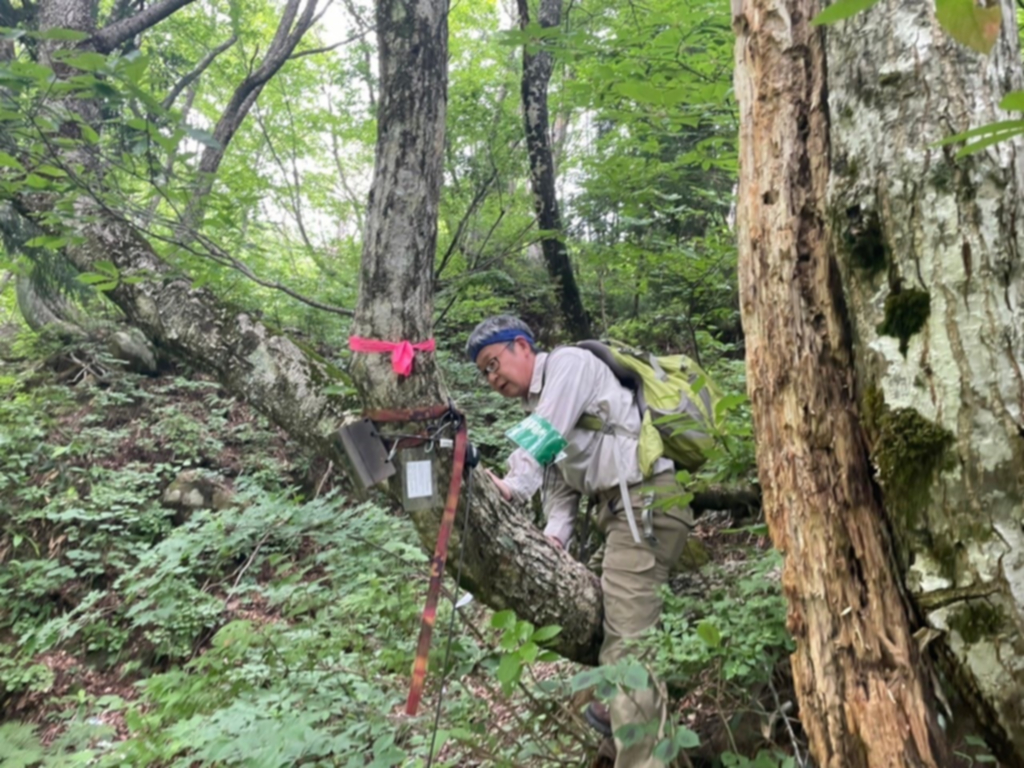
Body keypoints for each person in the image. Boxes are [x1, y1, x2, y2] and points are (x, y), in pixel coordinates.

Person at [466, 315, 693, 768]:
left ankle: (637, 753)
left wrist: (512, 484)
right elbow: (563, 488)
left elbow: (542, 439)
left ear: (522, 347)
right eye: (484, 372)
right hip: (627, 513)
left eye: (494, 363)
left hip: (643, 508)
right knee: (623, 643)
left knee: (628, 651)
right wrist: (554, 534)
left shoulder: (569, 365)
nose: (493, 379)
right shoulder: (547, 403)